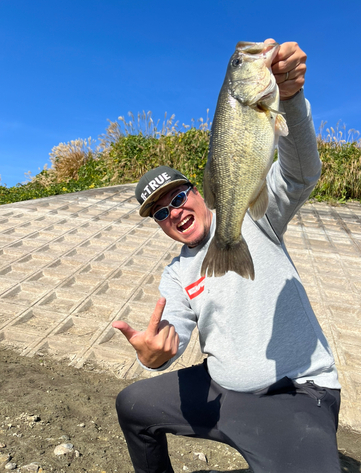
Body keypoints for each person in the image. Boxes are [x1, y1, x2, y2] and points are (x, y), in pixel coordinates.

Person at [113, 39, 342, 473]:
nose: (174, 211)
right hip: (224, 393)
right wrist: (156, 352)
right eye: (161, 212)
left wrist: (290, 101)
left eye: (178, 196)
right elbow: (173, 330)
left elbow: (300, 173)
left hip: (296, 392)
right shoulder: (177, 274)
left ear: (199, 190)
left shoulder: (257, 215)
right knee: (133, 403)